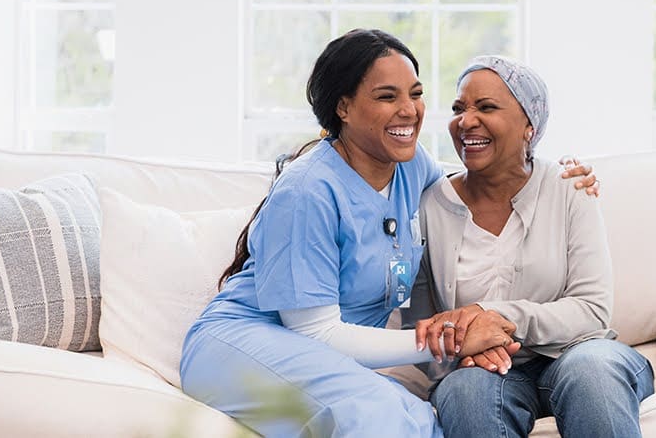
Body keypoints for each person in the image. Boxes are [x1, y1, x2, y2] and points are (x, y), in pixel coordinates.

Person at [179, 29, 597, 437]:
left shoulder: (412, 168)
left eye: (415, 94)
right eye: (386, 96)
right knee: (376, 415)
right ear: (343, 108)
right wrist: (452, 342)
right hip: (242, 347)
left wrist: (555, 177)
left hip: (329, 358)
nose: (408, 110)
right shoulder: (307, 190)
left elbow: (481, 181)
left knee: (424, 422)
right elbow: (314, 332)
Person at [403, 55, 655, 438]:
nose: (466, 121)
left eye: (486, 107)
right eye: (459, 109)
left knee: (592, 373)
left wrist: (494, 317)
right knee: (465, 391)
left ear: (529, 126)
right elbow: (421, 322)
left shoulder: (570, 189)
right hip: (481, 369)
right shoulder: (429, 206)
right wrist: (464, 352)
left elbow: (592, 310)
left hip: (578, 352)